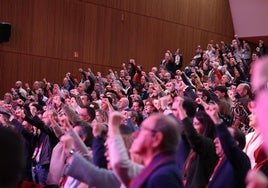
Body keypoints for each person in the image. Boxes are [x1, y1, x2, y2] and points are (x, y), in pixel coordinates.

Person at [127, 112, 183, 187]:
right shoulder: (159, 171)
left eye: (142, 130)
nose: (135, 134)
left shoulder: (163, 177)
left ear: (156, 139)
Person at [205, 103, 251, 188]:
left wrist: (217, 120)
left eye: (222, 138)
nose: (215, 141)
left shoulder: (241, 160)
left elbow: (230, 146)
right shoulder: (220, 159)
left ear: (235, 143)